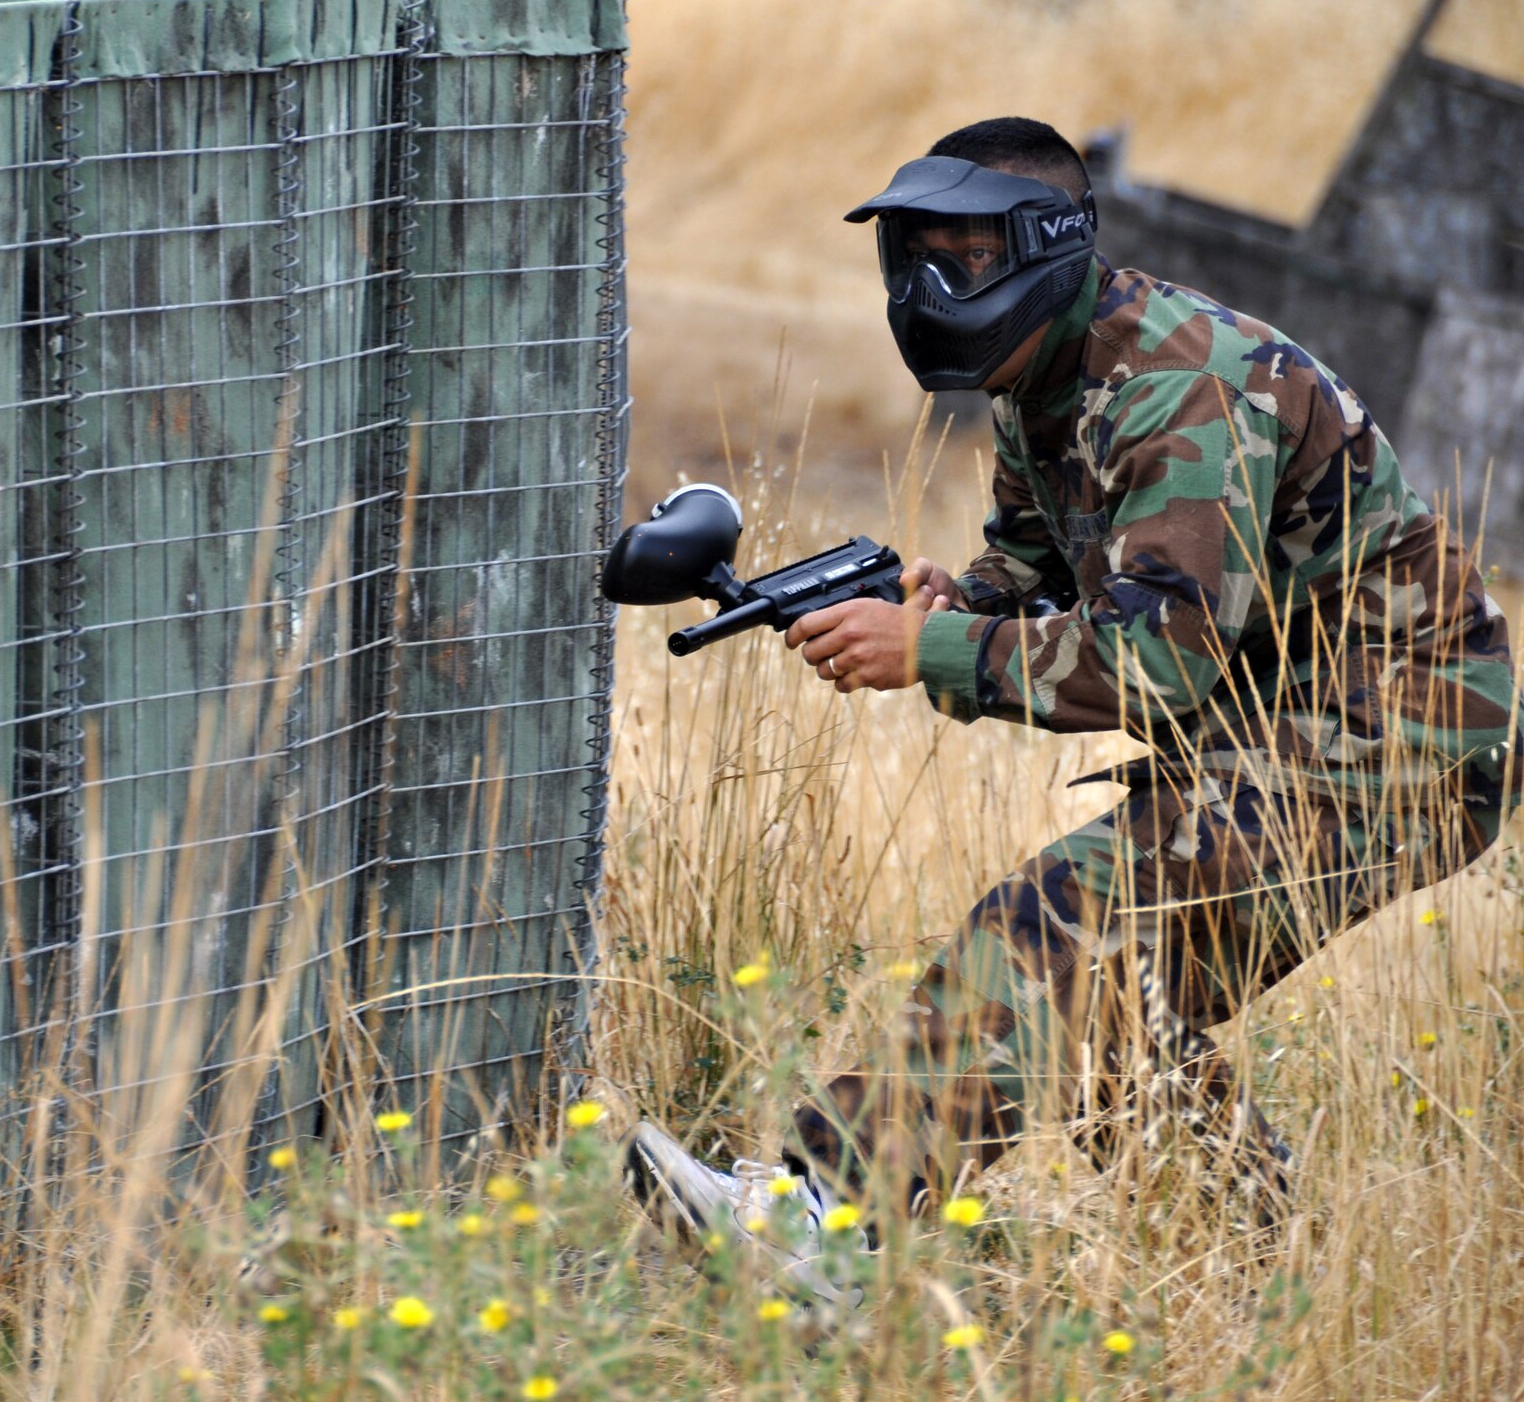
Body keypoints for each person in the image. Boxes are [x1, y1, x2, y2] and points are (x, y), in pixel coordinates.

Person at [625, 117, 1519, 1302]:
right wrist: (957, 599)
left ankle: (822, 1222)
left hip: (1394, 737)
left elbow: (1153, 663)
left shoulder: (1177, 386)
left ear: (1047, 248)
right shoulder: (1041, 377)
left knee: (1053, 922)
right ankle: (1262, 1294)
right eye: (919, 260)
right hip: (1279, 731)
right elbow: (1042, 567)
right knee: (1105, 1014)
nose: (936, 289)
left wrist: (931, 647)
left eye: (968, 260)